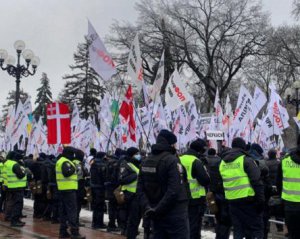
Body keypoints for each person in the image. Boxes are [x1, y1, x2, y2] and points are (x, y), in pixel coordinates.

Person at [138, 129, 190, 238]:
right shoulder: (172, 161)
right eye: (175, 144)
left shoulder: (145, 161)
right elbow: (174, 190)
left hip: (155, 213)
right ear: (171, 144)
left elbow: (140, 190)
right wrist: (158, 209)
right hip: (174, 214)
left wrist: (148, 208)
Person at [219, 137, 265, 239]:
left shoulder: (222, 162)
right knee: (255, 230)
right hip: (248, 201)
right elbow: (257, 181)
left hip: (232, 202)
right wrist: (261, 201)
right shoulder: (246, 160)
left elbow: (222, 182)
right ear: (243, 147)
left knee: (238, 230)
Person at [179, 139, 210, 239]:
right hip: (195, 199)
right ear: (200, 150)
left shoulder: (180, 158)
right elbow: (204, 180)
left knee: (183, 225)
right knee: (194, 227)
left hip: (181, 197)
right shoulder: (196, 161)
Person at [56, 147, 85, 239]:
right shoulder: (65, 162)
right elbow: (66, 173)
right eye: (72, 154)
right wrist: (74, 169)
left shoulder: (61, 160)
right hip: (68, 190)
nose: (74, 156)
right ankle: (74, 232)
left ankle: (63, 231)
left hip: (63, 189)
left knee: (64, 212)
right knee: (72, 211)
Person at [277, 135, 300, 239]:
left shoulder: (285, 161)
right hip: (289, 205)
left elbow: (278, 183)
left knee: (292, 234)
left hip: (290, 206)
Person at [207, 148, 231, 239]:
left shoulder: (215, 165)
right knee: (225, 221)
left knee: (219, 220)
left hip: (216, 195)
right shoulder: (225, 165)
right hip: (224, 196)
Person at [119, 147, 142, 239]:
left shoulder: (138, 164)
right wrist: (135, 175)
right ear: (132, 154)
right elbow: (122, 179)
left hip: (138, 194)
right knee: (132, 218)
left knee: (136, 217)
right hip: (129, 194)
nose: (138, 155)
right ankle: (129, 233)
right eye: (137, 153)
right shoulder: (125, 164)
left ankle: (131, 232)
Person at [3, 151, 27, 227]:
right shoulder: (14, 164)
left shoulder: (7, 163)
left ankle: (15, 219)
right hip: (17, 187)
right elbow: (20, 175)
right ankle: (15, 221)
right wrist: (25, 171)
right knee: (18, 204)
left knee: (12, 203)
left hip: (10, 186)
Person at [90, 151, 107, 229]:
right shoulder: (101, 164)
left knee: (96, 206)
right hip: (100, 187)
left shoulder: (93, 164)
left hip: (93, 187)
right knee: (100, 206)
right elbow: (104, 176)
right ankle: (99, 223)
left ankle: (95, 222)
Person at [73, 149, 87, 227]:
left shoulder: (72, 162)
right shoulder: (78, 163)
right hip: (78, 186)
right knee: (77, 206)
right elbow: (80, 175)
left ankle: (74, 221)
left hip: (73, 186)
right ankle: (75, 221)